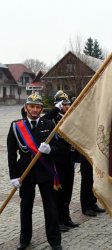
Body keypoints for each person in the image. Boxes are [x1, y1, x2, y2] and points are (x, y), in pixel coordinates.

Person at [7, 93, 62, 250]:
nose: (35, 110)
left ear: (42, 109)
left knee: (50, 207)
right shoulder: (16, 126)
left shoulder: (50, 125)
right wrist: (14, 176)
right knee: (26, 207)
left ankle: (55, 240)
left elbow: (58, 149)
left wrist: (50, 149)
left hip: (46, 170)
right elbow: (11, 154)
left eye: (38, 107)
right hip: (26, 172)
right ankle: (25, 239)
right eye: (32, 106)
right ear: (26, 108)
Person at [49, 91, 80, 232]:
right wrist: (55, 108)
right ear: (58, 105)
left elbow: (76, 138)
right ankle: (58, 220)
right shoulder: (53, 119)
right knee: (58, 192)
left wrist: (77, 159)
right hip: (59, 159)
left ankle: (66, 217)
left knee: (67, 190)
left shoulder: (70, 117)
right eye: (65, 104)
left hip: (70, 157)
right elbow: (45, 119)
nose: (68, 107)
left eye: (68, 104)